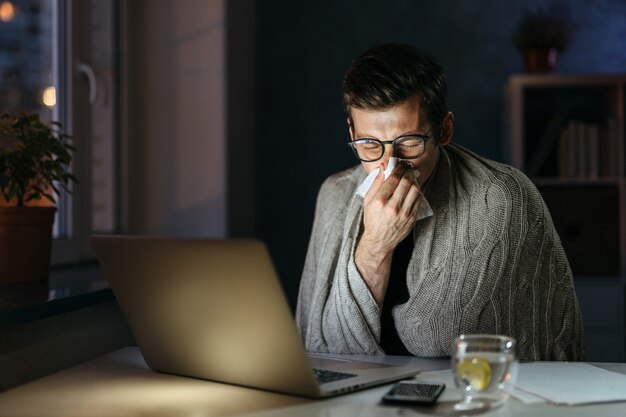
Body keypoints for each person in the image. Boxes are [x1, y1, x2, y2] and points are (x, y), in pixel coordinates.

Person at [295, 43, 584, 361]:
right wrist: (374, 248)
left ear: (444, 129)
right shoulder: (334, 194)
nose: (389, 165)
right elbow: (319, 348)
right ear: (352, 131)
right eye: (369, 144)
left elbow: (438, 333)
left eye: (408, 142)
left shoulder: (500, 197)